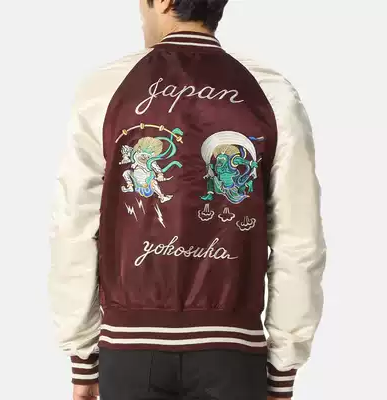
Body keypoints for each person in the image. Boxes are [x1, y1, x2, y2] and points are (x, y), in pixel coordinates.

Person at [48, 0, 327, 399]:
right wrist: (284, 366)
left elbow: (73, 226)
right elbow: (299, 241)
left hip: (130, 349)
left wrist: (83, 355)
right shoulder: (272, 93)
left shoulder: (106, 89)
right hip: (232, 353)